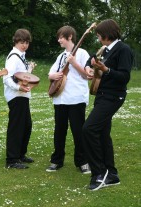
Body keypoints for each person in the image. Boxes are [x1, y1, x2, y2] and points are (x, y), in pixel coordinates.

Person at [83, 19, 133, 191]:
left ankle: (98, 173)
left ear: (106, 34)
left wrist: (106, 70)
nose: (98, 39)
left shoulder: (123, 50)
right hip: (102, 95)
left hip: (113, 97)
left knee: (89, 129)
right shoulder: (105, 50)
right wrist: (91, 70)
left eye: (99, 35)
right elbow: (94, 64)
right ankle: (111, 174)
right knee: (103, 134)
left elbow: (125, 77)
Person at [46, 26, 91, 174]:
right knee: (59, 130)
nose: (59, 40)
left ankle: (82, 161)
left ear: (70, 36)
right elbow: (50, 74)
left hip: (76, 98)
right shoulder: (60, 56)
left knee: (78, 131)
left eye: (61, 37)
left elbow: (87, 75)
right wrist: (53, 76)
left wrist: (74, 63)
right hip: (60, 99)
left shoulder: (83, 53)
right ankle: (57, 160)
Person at [3, 28, 34, 169]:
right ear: (16, 41)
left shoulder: (21, 56)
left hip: (22, 95)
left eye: (27, 42)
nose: (25, 45)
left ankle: (20, 154)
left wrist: (30, 70)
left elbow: (22, 77)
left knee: (26, 125)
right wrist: (19, 88)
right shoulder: (14, 57)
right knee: (16, 127)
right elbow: (6, 78)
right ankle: (12, 159)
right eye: (22, 42)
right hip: (16, 96)